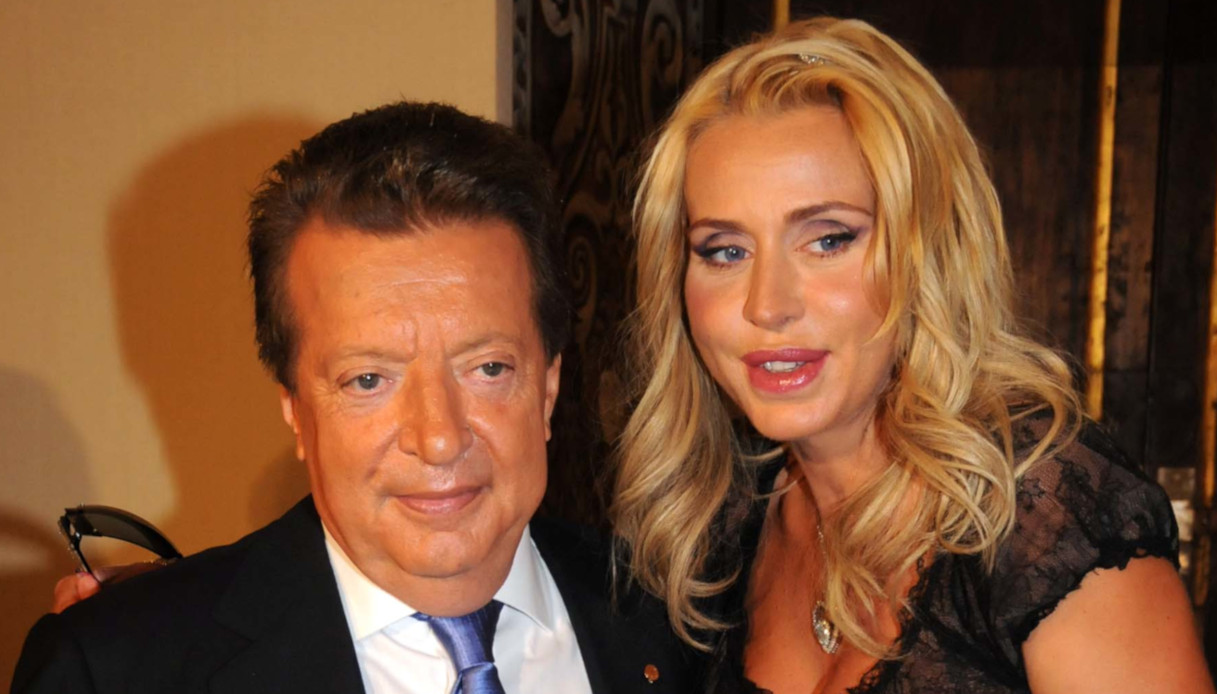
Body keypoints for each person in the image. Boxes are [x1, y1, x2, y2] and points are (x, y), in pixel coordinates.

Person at [612, 16, 1214, 694]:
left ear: (928, 252)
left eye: (828, 239)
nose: (767, 305)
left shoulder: (1046, 519)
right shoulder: (713, 528)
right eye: (725, 250)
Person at [12, 101, 698, 694]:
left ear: (547, 386)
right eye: (368, 380)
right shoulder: (118, 670)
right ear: (294, 408)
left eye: (487, 368)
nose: (438, 438)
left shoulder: (683, 627)